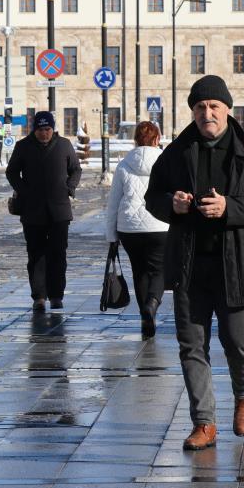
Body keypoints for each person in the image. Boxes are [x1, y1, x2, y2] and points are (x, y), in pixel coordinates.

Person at [145, 75, 244, 450]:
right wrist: (171, 205)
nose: (206, 113)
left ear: (227, 110)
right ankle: (204, 423)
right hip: (190, 263)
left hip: (239, 264)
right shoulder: (178, 151)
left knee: (237, 339)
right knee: (191, 344)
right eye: (199, 107)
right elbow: (153, 196)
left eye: (213, 106)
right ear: (192, 112)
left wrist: (229, 207)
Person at [6, 111, 82, 311]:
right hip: (32, 210)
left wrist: (69, 188)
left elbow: (76, 169)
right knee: (36, 255)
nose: (44, 133)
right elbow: (11, 172)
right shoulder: (23, 146)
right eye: (40, 130)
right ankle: (39, 296)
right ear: (34, 130)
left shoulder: (64, 145)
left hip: (59, 211)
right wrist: (24, 191)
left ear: (52, 129)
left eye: (48, 129)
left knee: (58, 254)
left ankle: (56, 295)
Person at [104, 121, 169, 339]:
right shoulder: (166, 162)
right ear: (157, 139)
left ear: (136, 140)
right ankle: (152, 304)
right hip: (159, 225)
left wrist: (111, 236)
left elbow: (113, 204)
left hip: (129, 228)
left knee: (139, 271)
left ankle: (144, 317)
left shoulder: (124, 165)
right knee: (159, 269)